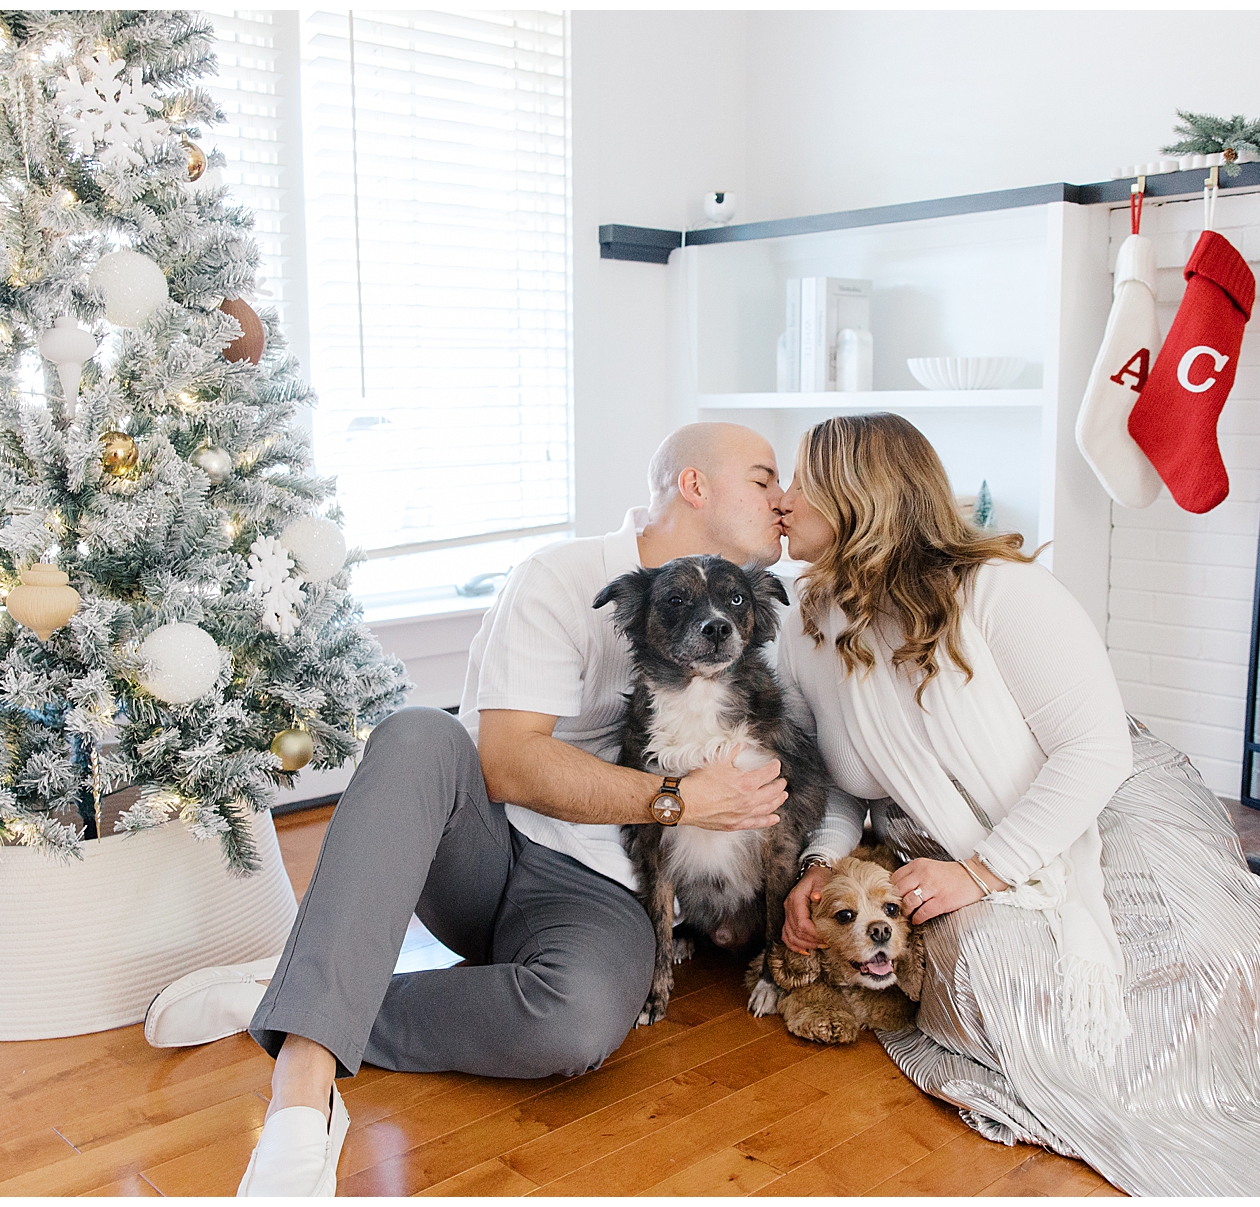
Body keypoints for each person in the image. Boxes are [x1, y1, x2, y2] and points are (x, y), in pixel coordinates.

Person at [772, 413, 1260, 1197]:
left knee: (1199, 936)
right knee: (1000, 992)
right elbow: (839, 782)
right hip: (938, 844)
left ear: (857, 494)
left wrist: (986, 868)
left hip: (1099, 798)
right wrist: (823, 865)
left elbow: (1094, 750)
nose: (784, 499)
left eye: (800, 478)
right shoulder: (802, 630)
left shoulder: (1002, 592)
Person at [167, 422, 794, 1196]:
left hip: (601, 885)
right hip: (488, 846)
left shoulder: (758, 618)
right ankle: (300, 1098)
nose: (784, 499)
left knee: (575, 1024)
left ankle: (300, 993)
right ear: (695, 485)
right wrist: (676, 798)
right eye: (766, 478)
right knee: (418, 735)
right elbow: (504, 762)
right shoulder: (561, 577)